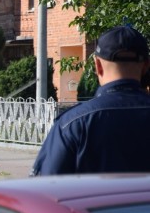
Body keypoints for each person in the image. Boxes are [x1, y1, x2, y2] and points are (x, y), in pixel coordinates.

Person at [32, 25, 150, 175]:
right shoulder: (74, 123)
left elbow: (46, 189)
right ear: (146, 65)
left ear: (98, 65)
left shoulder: (73, 124)